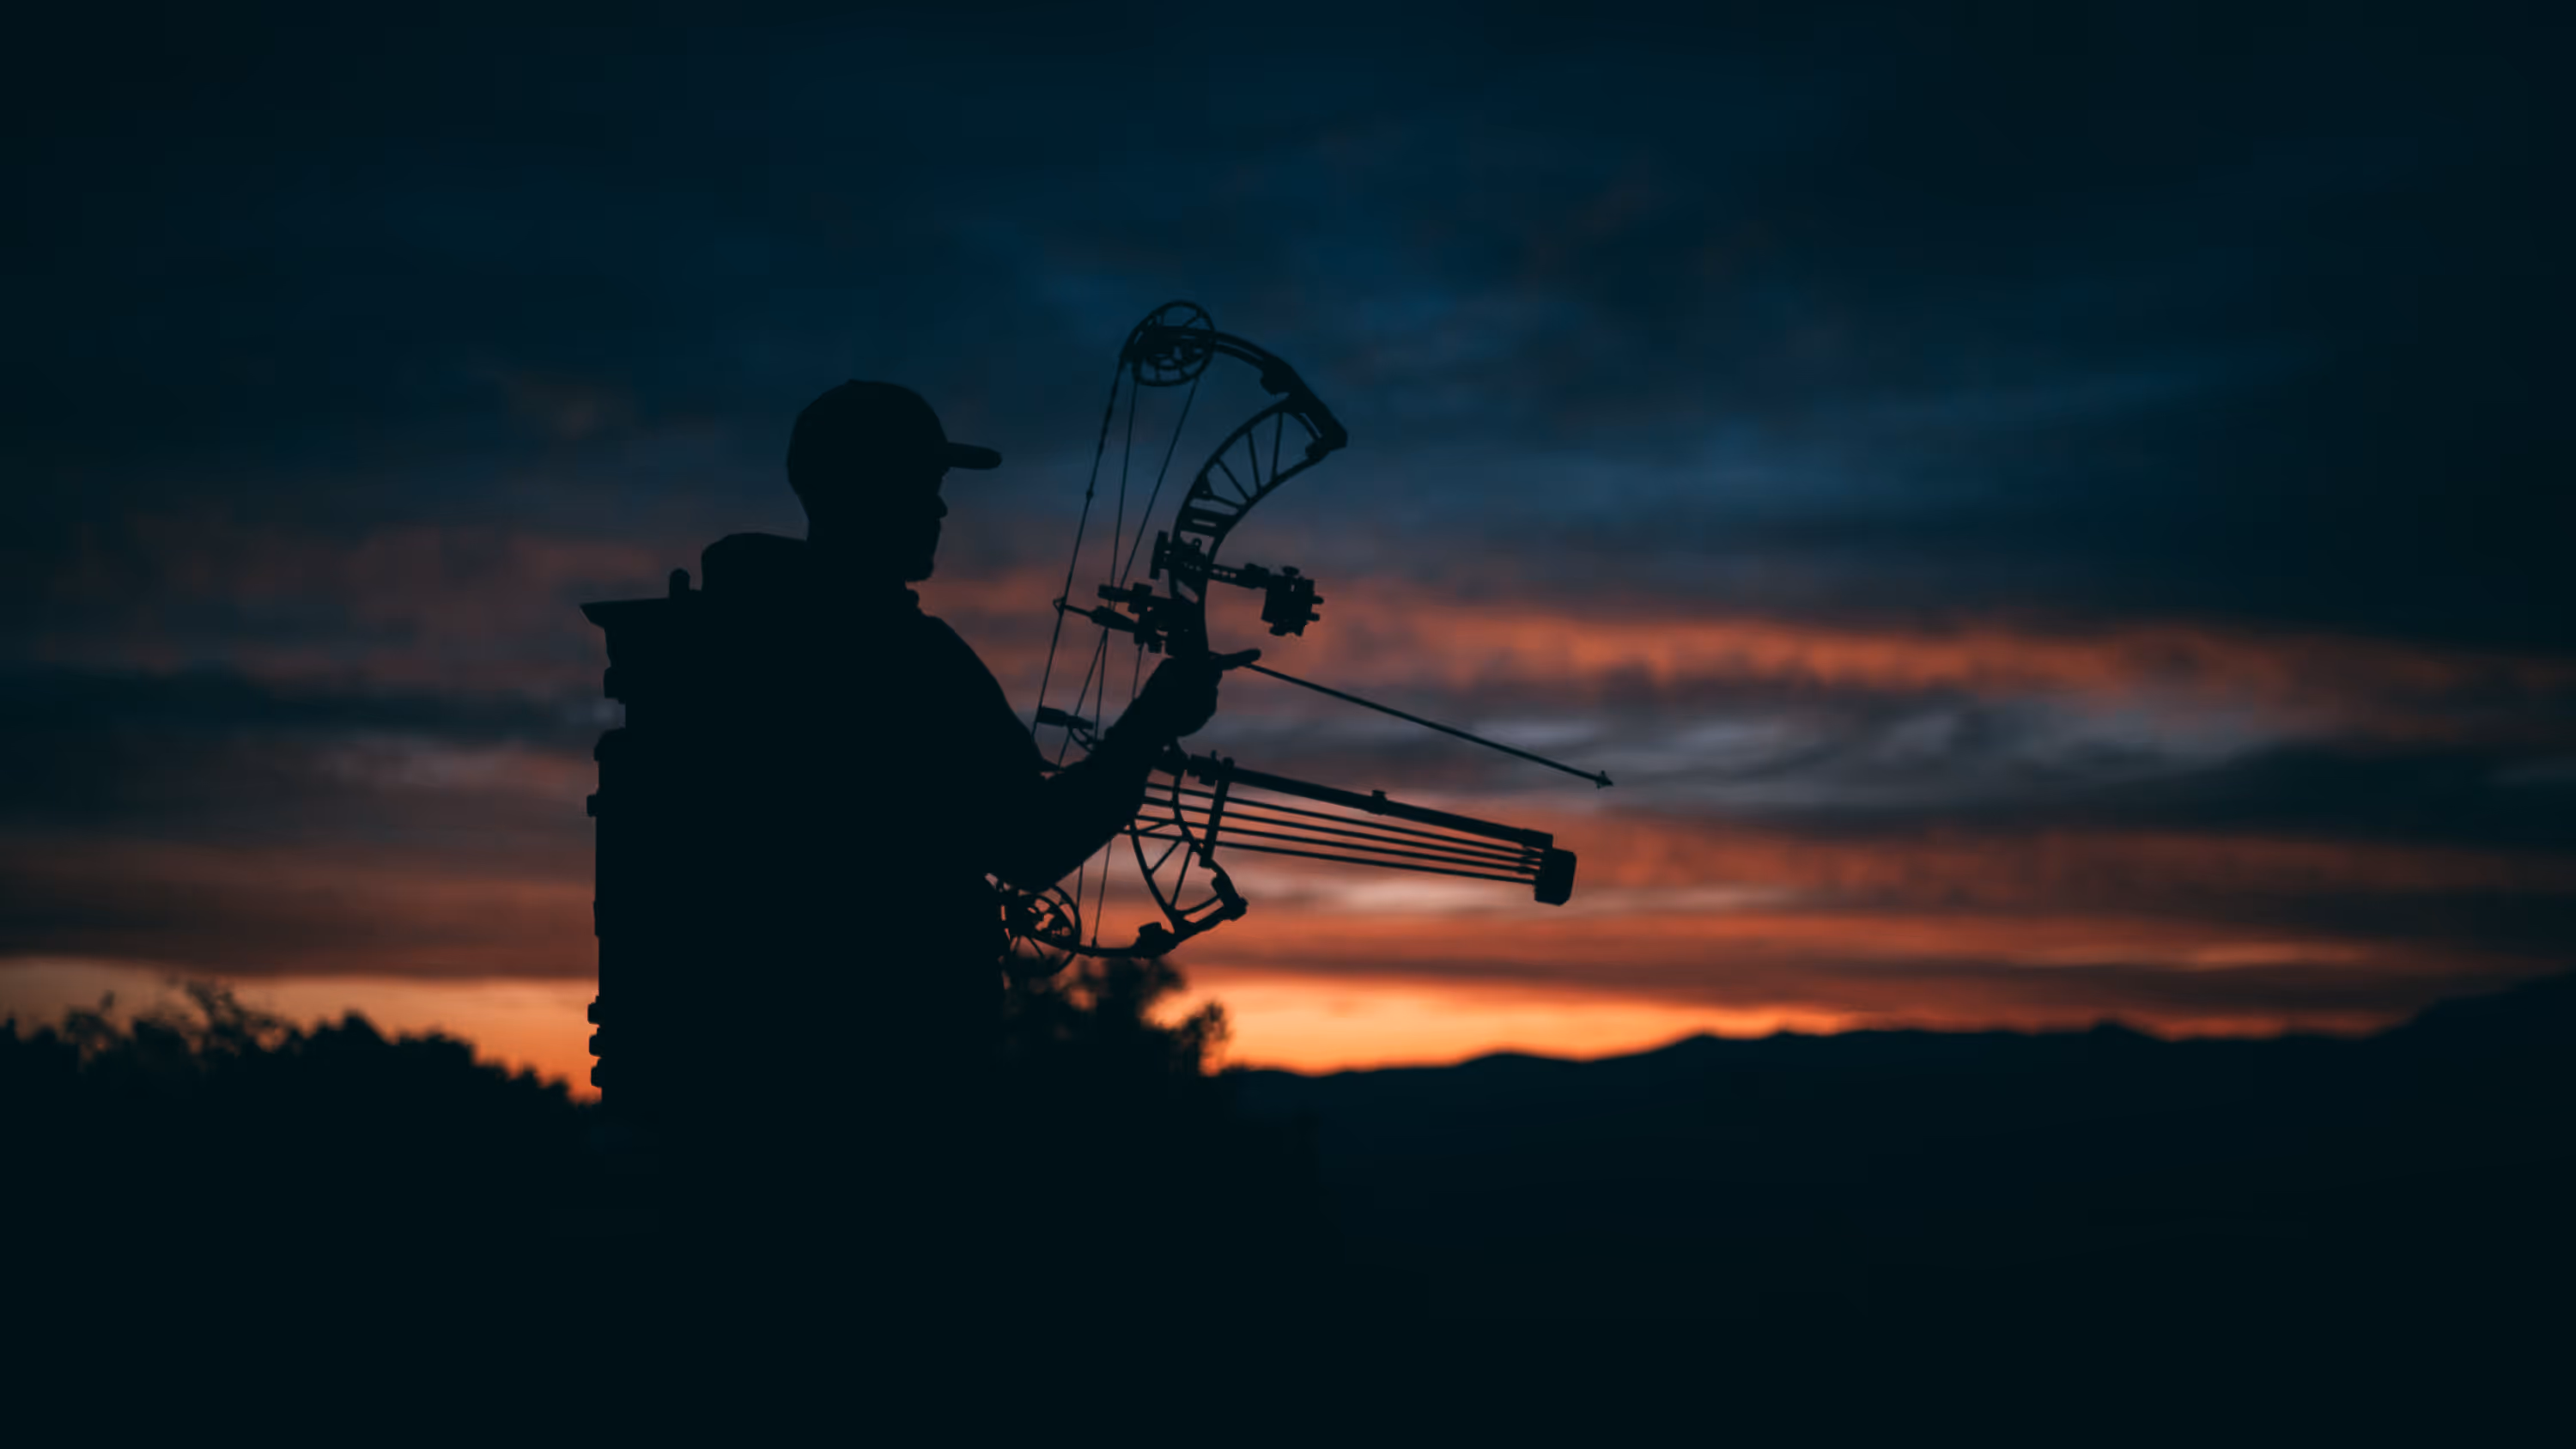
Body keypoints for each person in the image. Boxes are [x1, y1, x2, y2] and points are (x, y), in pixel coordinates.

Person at [671, 381, 1240, 1269]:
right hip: (888, 1082)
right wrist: (1151, 722)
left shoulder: (729, 634)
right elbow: (1031, 843)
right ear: (867, 491)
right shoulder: (904, 659)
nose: (940, 506)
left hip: (743, 1074)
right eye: (920, 482)